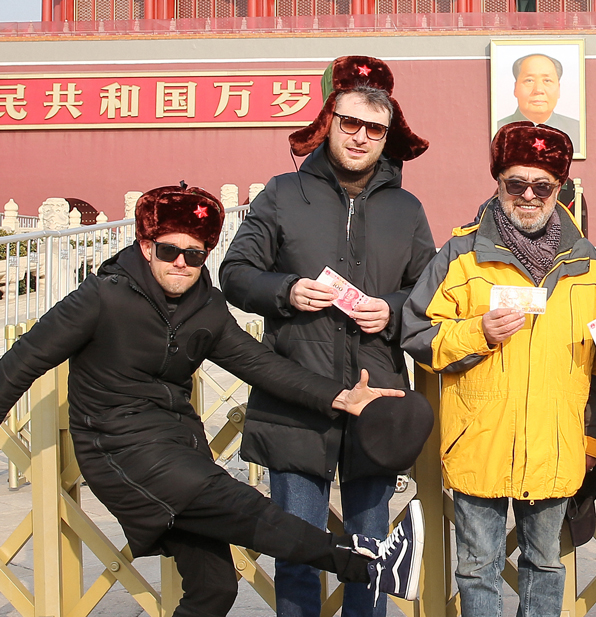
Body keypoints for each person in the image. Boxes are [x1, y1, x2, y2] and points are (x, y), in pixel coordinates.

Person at [0, 185, 424, 617]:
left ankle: (371, 563)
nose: (181, 263)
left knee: (214, 588)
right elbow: (21, 361)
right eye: (169, 251)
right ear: (146, 247)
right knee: (236, 501)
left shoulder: (206, 307)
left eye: (195, 254)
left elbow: (260, 364)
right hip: (117, 448)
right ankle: (368, 562)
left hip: (178, 446)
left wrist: (339, 396)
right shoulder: (101, 297)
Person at [218, 55, 436, 617]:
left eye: (375, 129)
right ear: (329, 122)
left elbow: (428, 291)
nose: (361, 137)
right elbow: (234, 273)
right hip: (297, 396)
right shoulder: (283, 193)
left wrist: (392, 310)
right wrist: (286, 289)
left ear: (387, 138)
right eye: (350, 122)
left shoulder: (406, 208)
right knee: (297, 551)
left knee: (372, 551)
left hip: (376, 398)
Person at [401, 122, 596, 617]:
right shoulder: (461, 254)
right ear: (497, 182)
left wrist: (591, 442)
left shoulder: (587, 264)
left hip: (557, 443)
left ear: (559, 188)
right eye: (515, 183)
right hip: (479, 440)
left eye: (542, 185)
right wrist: (478, 332)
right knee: (477, 567)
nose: (528, 195)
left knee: (546, 565)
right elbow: (417, 332)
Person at [497, 54, 581, 152]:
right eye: (529, 80)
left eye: (547, 80)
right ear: (515, 88)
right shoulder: (497, 131)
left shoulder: (579, 132)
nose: (538, 90)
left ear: (558, 89)